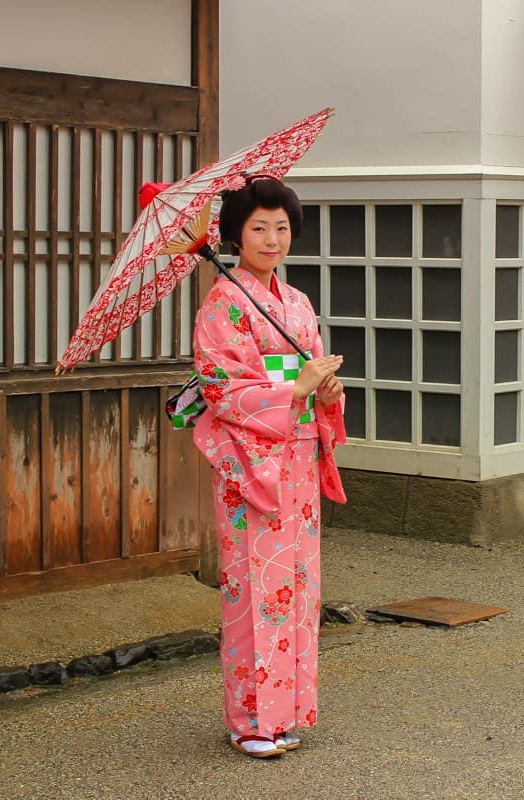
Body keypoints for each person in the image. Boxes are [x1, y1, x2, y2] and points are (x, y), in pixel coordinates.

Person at [191, 175, 347, 758]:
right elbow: (221, 388)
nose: (272, 238)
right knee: (255, 591)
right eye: (259, 227)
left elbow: (311, 381)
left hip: (297, 459)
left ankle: (287, 712)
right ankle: (251, 721)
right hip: (251, 464)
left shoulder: (298, 303)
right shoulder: (223, 304)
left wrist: (326, 392)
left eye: (281, 227)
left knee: (296, 588)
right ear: (234, 234)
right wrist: (295, 387)